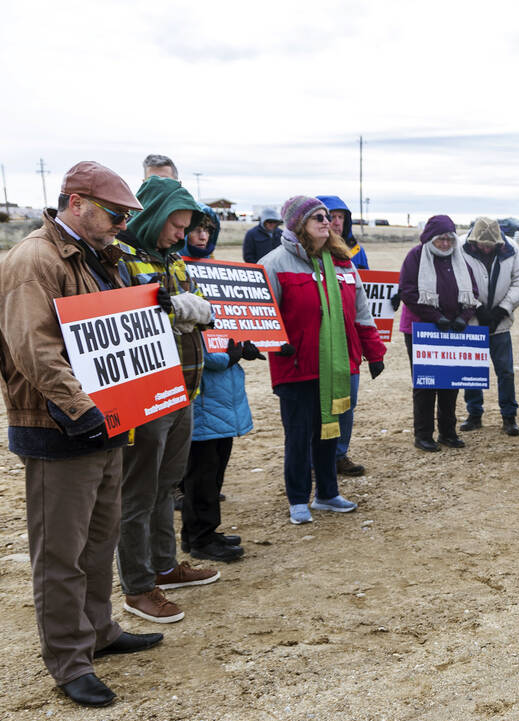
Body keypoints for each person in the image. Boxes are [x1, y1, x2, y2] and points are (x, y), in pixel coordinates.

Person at [0, 161, 159, 708]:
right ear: (76, 202)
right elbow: (34, 348)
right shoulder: (34, 260)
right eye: (114, 214)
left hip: (106, 422)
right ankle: (68, 659)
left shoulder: (98, 258)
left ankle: (100, 631)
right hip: (59, 427)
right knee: (61, 552)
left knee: (98, 541)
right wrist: (81, 409)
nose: (121, 225)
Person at [115, 176, 219, 624]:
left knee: (166, 482)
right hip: (144, 395)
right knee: (137, 492)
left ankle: (164, 564)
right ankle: (138, 586)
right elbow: (121, 320)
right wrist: (170, 311)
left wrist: (195, 310)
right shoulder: (121, 260)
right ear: (154, 217)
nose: (182, 234)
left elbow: (199, 311)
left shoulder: (175, 261)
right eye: (176, 226)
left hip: (183, 389)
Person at [261, 196, 383, 524]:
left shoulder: (343, 262)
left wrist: (374, 352)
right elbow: (264, 315)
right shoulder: (275, 263)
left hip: (338, 364)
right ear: (298, 224)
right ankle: (298, 499)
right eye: (317, 217)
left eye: (327, 216)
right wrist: (277, 343)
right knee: (299, 435)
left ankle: (327, 494)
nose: (326, 222)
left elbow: (360, 312)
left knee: (330, 431)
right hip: (297, 367)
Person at [177, 207, 257, 562]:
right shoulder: (182, 274)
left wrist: (251, 342)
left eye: (209, 231)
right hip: (203, 393)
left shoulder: (215, 272)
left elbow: (232, 324)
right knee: (201, 472)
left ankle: (204, 532)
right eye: (196, 230)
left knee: (214, 469)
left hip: (223, 392)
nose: (203, 237)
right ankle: (199, 538)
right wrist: (231, 355)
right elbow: (199, 342)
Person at [397, 215, 479, 451]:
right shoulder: (416, 256)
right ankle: (423, 434)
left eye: (449, 239)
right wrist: (435, 317)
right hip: (421, 328)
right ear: (430, 239)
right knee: (425, 383)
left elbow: (472, 292)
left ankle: (448, 432)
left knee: (450, 381)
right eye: (440, 239)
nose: (445, 244)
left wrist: (463, 318)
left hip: (453, 327)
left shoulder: (459, 258)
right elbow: (408, 291)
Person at [316, 195, 376, 476]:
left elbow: (366, 295)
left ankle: (339, 454)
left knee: (347, 403)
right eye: (331, 216)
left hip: (350, 340)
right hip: (318, 342)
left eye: (341, 217)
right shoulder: (306, 252)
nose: (336, 222)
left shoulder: (354, 252)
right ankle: (315, 457)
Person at [459, 217, 519, 436]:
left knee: (506, 371)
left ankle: (509, 416)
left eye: (490, 245)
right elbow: (458, 281)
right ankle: (474, 414)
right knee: (470, 370)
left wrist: (503, 310)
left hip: (500, 324)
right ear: (473, 239)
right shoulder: (460, 248)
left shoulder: (512, 248)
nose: (486, 248)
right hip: (472, 321)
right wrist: (477, 308)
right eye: (482, 244)